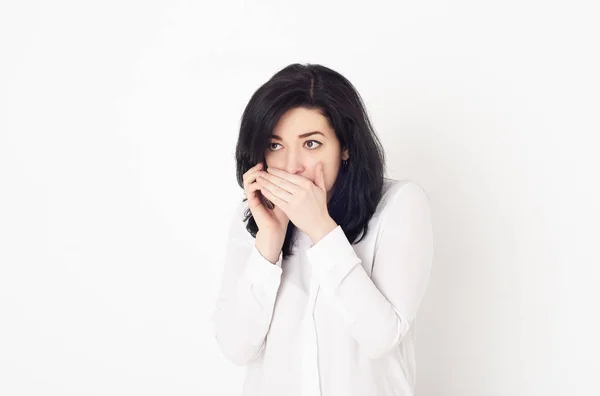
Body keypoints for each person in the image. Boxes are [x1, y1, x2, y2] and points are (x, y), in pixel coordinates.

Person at [211, 63, 434, 396]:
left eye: (311, 144)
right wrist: (269, 241)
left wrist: (321, 230)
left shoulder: (398, 206)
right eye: (275, 145)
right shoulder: (253, 221)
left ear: (345, 147)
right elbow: (236, 348)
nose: (291, 165)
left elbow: (381, 337)